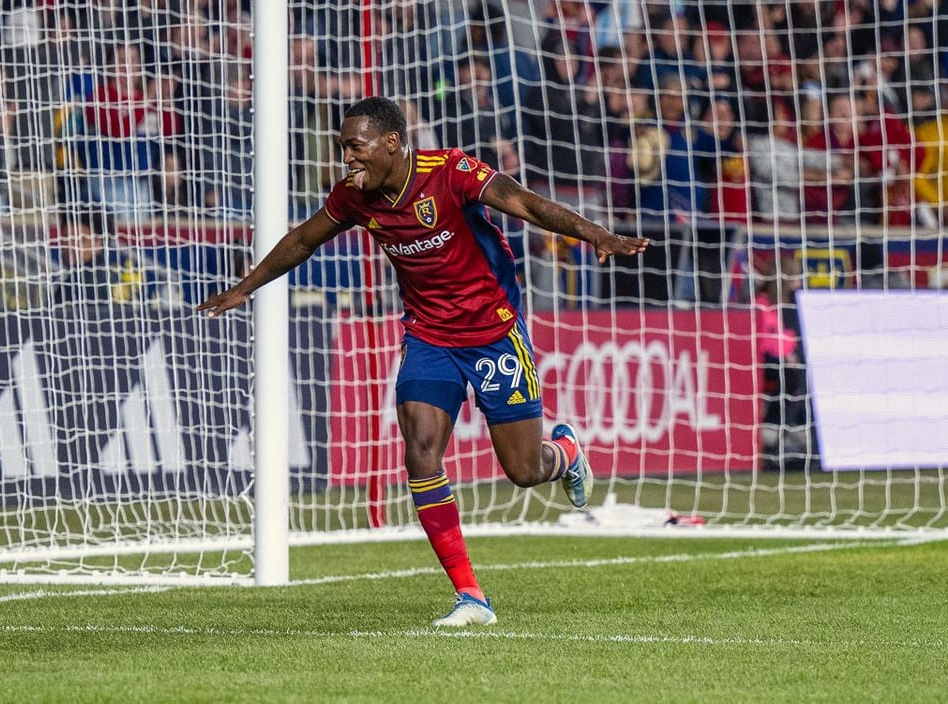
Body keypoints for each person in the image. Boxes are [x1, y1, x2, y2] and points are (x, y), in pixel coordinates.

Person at [198, 96, 649, 627]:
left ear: (391, 143)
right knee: (420, 449)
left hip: (494, 333)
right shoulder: (354, 197)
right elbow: (302, 240)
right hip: (429, 336)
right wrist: (243, 289)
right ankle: (471, 596)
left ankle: (564, 452)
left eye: (356, 146)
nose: (347, 158)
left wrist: (595, 233)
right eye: (343, 147)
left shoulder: (451, 172)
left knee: (525, 471)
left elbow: (525, 203)